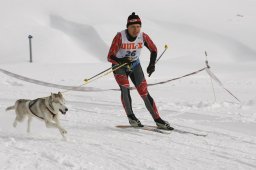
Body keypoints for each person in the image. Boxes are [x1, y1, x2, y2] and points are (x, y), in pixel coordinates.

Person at [107, 12, 173, 130]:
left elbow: (153, 49)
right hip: (119, 66)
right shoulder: (120, 36)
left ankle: (158, 120)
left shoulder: (143, 36)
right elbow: (110, 56)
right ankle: (131, 117)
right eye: (133, 27)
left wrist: (151, 65)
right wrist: (121, 60)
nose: (136, 30)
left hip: (135, 65)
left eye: (138, 27)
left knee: (144, 92)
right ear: (127, 27)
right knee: (125, 89)